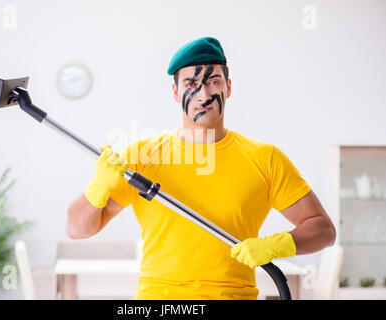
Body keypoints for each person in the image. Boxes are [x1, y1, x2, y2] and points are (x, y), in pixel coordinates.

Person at [66, 36, 336, 300]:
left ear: (228, 87)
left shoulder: (266, 158)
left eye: (213, 81)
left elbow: (324, 230)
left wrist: (276, 245)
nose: (204, 94)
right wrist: (98, 186)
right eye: (191, 83)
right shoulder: (141, 157)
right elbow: (77, 230)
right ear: (176, 92)